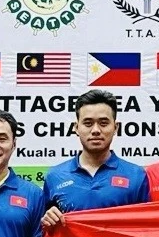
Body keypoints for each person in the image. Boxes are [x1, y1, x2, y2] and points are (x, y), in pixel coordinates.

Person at [41, 90, 150, 227]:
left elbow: (145, 230)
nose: (96, 130)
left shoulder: (136, 175)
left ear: (116, 127)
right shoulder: (55, 176)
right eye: (88, 123)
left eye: (103, 123)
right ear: (76, 128)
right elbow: (43, 233)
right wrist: (47, 222)